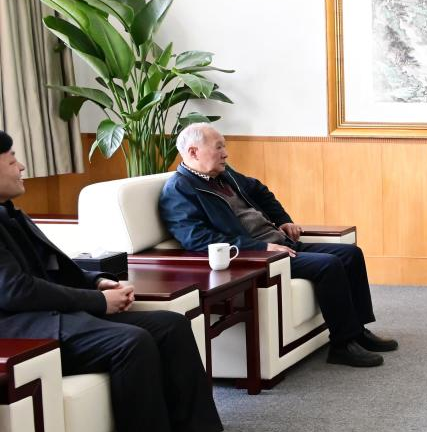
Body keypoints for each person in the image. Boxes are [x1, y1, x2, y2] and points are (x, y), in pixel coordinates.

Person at [0, 130, 247, 432]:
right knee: (131, 343)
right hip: (23, 330)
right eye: (11, 160)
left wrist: (97, 282)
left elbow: (49, 270)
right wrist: (98, 302)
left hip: (53, 314)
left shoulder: (9, 212)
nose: (21, 166)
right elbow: (15, 291)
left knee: (170, 325)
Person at [159, 125, 397, 368]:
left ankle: (358, 331)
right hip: (256, 257)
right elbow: (197, 239)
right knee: (329, 265)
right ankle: (342, 345)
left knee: (351, 254)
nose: (225, 153)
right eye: (219, 147)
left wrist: (283, 220)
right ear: (193, 152)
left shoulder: (225, 174)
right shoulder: (179, 189)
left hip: (279, 243)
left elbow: (260, 191)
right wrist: (260, 248)